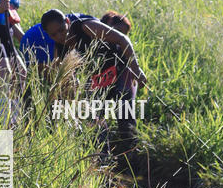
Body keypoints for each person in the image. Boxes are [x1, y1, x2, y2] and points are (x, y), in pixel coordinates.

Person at [40, 8, 146, 155]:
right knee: (96, 124)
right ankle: (104, 163)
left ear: (67, 22)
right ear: (48, 35)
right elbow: (66, 83)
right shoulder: (61, 50)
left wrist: (136, 68)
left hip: (121, 71)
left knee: (125, 119)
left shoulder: (86, 27)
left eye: (62, 30)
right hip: (99, 83)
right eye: (54, 34)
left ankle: (135, 161)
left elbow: (122, 39)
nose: (60, 36)